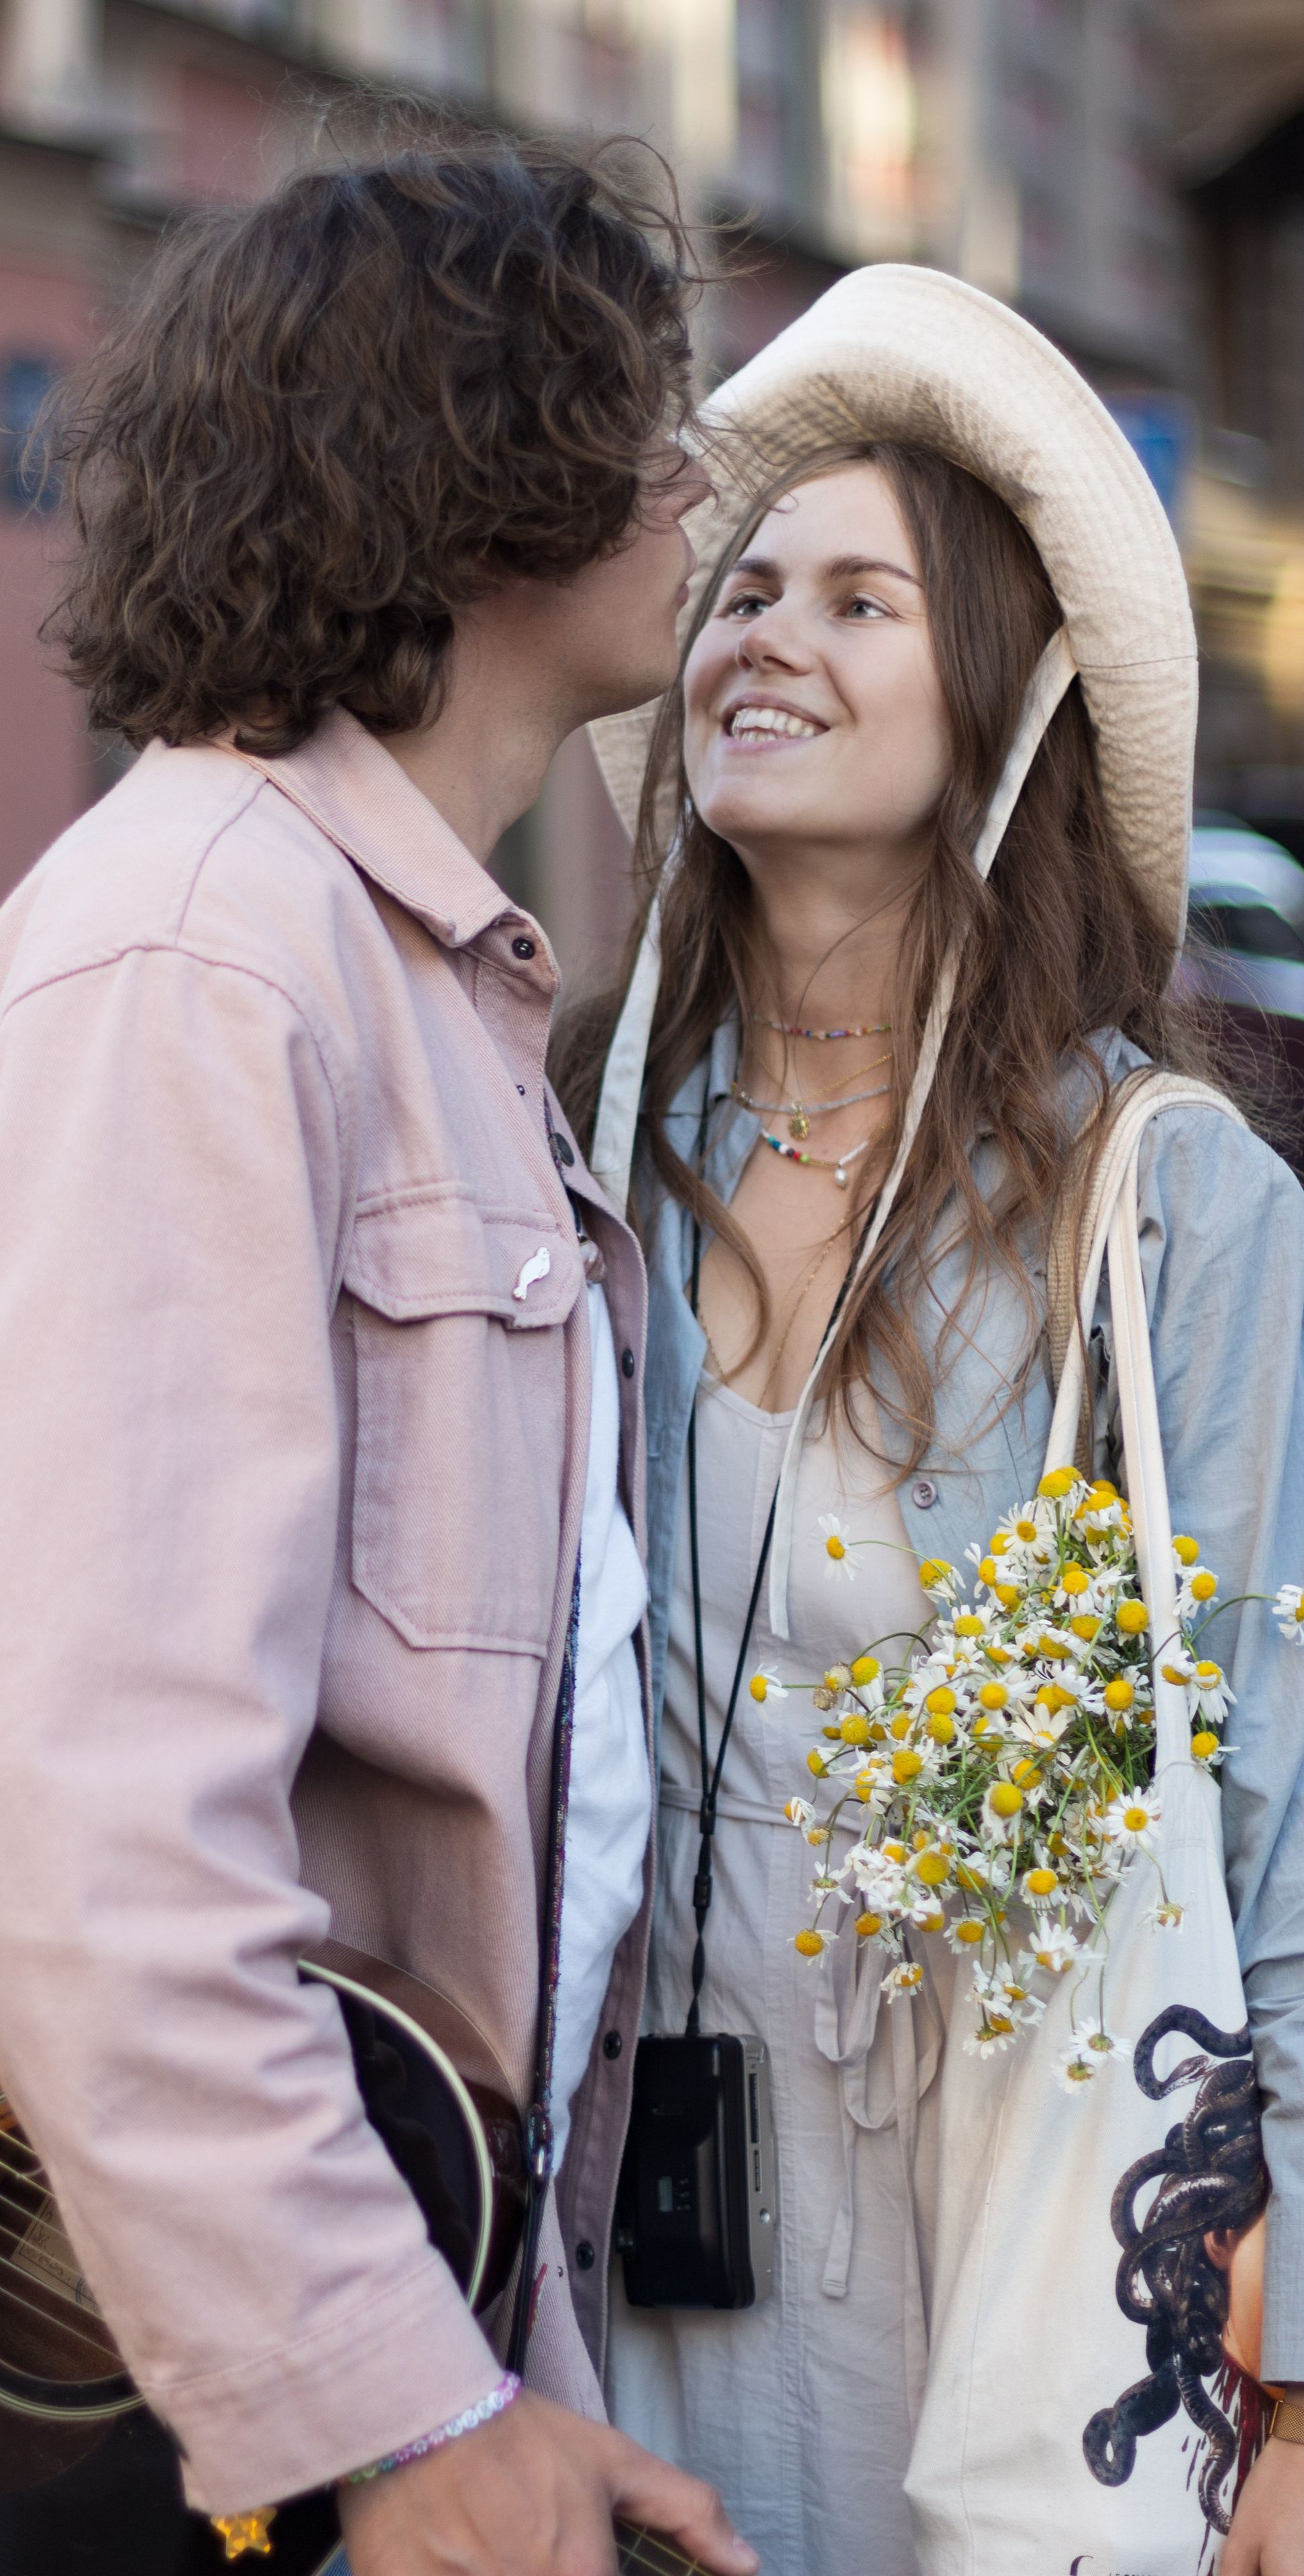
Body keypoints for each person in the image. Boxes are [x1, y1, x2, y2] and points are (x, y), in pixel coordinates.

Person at [0, 136, 759, 2576]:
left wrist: (490, 2369)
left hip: (405, 2283)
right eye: (644, 419)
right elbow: (93, 1772)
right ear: (478, 480)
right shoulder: (211, 953)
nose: (697, 478)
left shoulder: (407, 965)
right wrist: (396, 2407)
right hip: (235, 2386)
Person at [553, 264, 1304, 2575]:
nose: (766, 633)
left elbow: (1276, 1816)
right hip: (624, 2219)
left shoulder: (1157, 1197)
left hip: (1030, 2232)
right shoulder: (576, 1136)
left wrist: (1284, 2391)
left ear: (1002, 702)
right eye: (743, 590)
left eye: (859, 599)